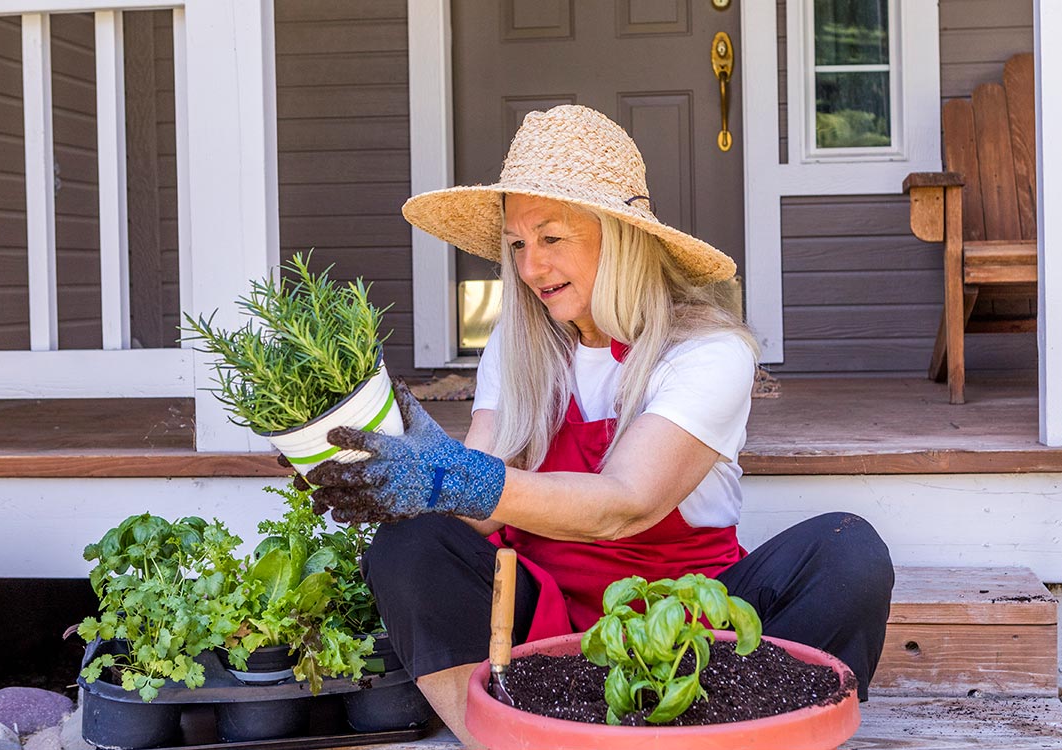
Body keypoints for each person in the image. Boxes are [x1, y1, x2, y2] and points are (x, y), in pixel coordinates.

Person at [303, 105, 893, 748]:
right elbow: (476, 511)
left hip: (693, 632)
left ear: (622, 236)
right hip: (544, 631)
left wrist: (457, 477)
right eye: (519, 245)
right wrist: (395, 466)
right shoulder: (518, 344)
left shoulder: (708, 350)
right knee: (409, 548)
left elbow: (627, 504)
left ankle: (738, 735)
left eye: (552, 239)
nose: (530, 269)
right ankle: (499, 737)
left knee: (847, 552)